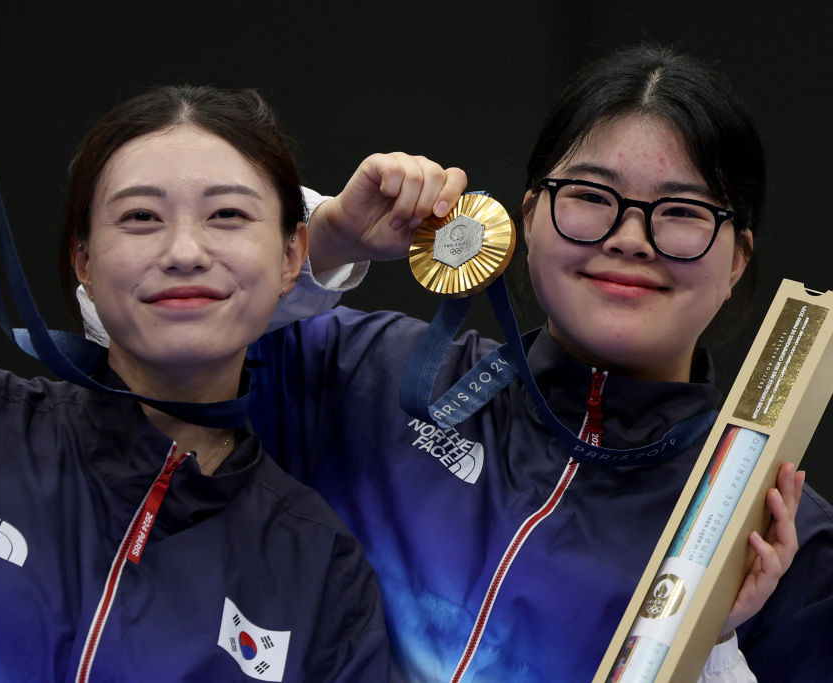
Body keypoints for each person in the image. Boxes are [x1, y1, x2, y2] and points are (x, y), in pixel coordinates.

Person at [0, 86, 464, 681]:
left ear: (293, 255)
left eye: (229, 215)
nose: (183, 250)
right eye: (141, 218)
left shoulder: (319, 569)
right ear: (83, 262)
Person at [229, 46, 831, 681]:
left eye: (681, 211)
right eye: (592, 196)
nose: (629, 238)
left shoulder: (769, 535)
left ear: (736, 259)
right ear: (528, 217)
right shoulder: (360, 376)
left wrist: (712, 651)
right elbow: (134, 333)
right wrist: (321, 238)